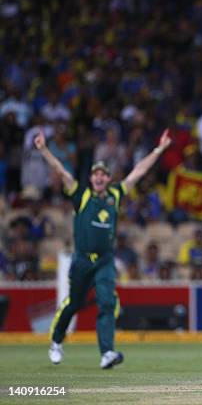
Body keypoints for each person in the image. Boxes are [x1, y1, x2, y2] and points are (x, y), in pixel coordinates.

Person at [36, 129, 172, 369]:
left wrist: (159, 150)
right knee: (74, 304)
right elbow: (60, 171)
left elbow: (138, 171)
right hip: (81, 260)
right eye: (95, 174)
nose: (99, 178)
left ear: (109, 179)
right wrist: (44, 149)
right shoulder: (81, 195)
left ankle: (107, 353)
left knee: (107, 302)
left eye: (103, 175)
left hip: (105, 260)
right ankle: (56, 341)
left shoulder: (115, 194)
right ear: (91, 178)